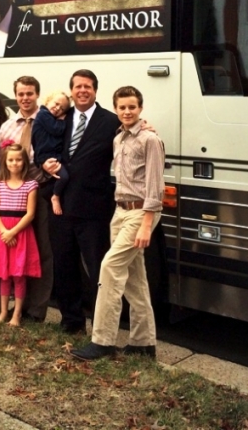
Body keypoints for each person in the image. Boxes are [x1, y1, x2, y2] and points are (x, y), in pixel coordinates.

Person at [71, 86, 164, 361]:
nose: (127, 111)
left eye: (132, 107)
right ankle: (143, 344)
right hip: (120, 212)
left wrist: (147, 224)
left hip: (139, 214)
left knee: (109, 268)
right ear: (116, 109)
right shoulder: (118, 139)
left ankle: (102, 341)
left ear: (141, 108)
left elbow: (155, 186)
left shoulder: (150, 140)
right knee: (136, 279)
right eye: (122, 107)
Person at [43, 69, 121, 334]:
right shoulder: (60, 120)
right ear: (72, 90)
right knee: (64, 265)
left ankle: (102, 325)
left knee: (98, 269)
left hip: (93, 208)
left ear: (95, 90)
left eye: (87, 86)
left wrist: (145, 126)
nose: (82, 91)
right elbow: (41, 146)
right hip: (60, 205)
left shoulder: (111, 121)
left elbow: (131, 136)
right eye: (77, 87)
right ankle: (72, 321)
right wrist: (43, 161)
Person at [0, 75, 53, 323]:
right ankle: (7, 307)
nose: (25, 98)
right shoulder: (7, 127)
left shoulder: (49, 121)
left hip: (39, 190)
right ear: (15, 95)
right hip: (10, 196)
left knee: (40, 250)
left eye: (29, 93)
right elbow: (1, 160)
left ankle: (35, 309)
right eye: (21, 94)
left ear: (37, 94)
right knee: (10, 250)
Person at [0, 143, 40, 326]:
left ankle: (16, 314)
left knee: (19, 274)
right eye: (11, 160)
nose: (14, 163)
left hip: (20, 232)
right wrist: (4, 231)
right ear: (5, 162)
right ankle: (3, 312)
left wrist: (13, 232)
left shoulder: (31, 185)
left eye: (18, 160)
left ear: (24, 162)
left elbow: (30, 213)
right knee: (4, 274)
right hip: (2, 231)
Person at [32, 90, 71, 216]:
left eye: (62, 108)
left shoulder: (49, 117)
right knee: (64, 177)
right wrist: (61, 120)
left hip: (53, 155)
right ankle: (55, 196)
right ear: (48, 101)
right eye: (56, 103)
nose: (58, 108)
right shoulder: (43, 114)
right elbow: (57, 130)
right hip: (45, 156)